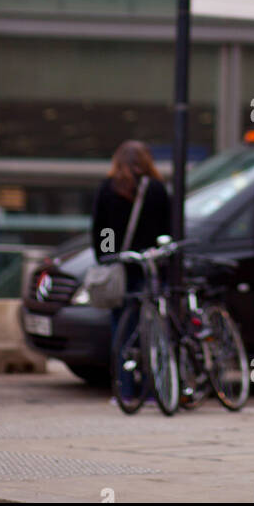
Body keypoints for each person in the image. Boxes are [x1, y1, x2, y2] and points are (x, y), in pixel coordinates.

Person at [91, 141, 171, 402]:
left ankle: (124, 390)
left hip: (121, 266)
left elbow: (101, 229)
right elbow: (167, 228)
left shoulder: (108, 188)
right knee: (151, 326)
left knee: (122, 329)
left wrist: (108, 256)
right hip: (148, 266)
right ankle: (150, 388)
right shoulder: (156, 189)